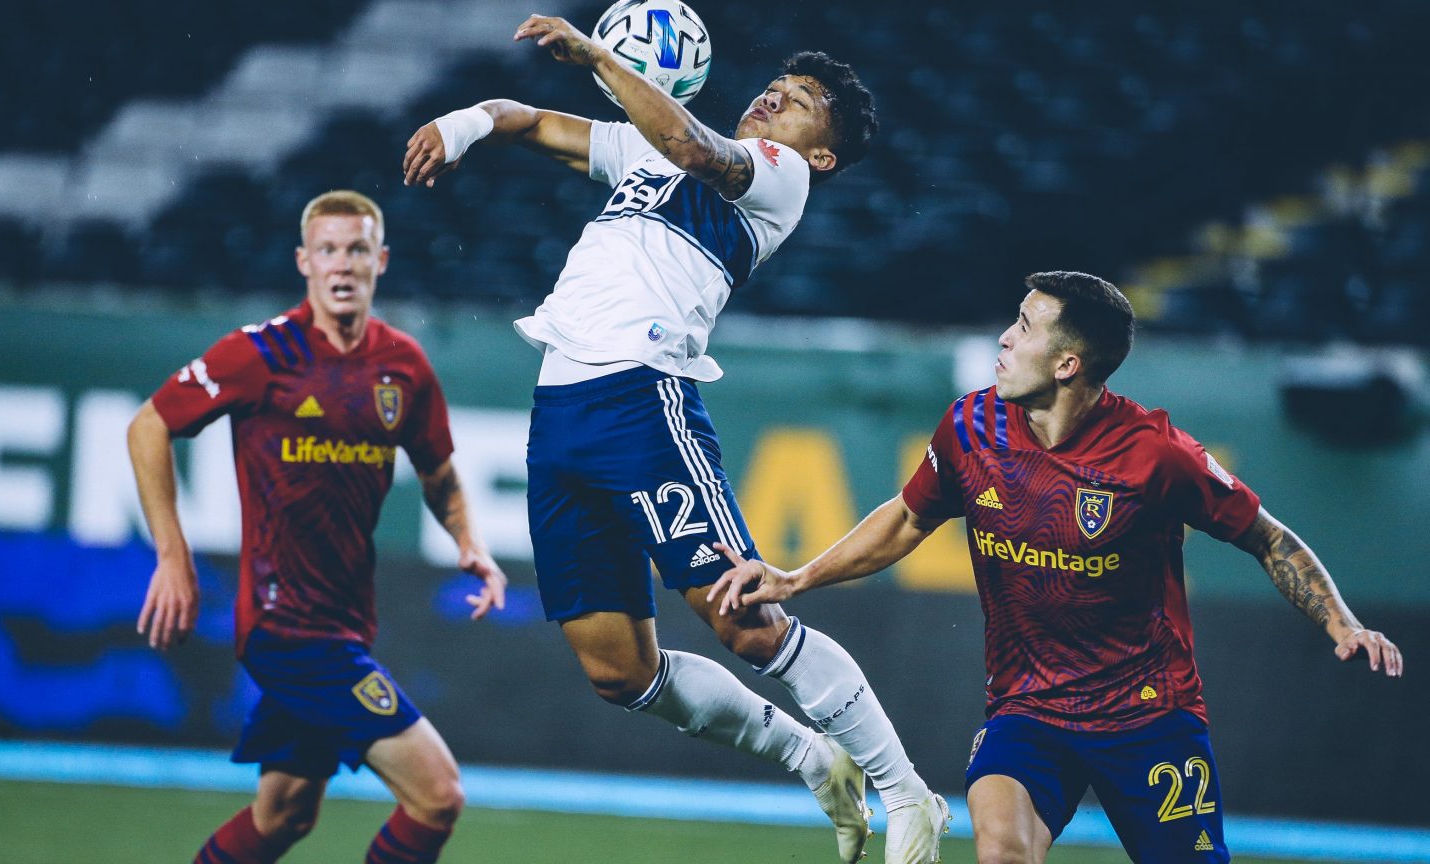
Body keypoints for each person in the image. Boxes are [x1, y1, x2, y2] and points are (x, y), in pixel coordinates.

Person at [400, 13, 947, 864]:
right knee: (621, 674)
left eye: (800, 102)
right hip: (561, 410)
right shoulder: (647, 148)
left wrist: (596, 55)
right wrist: (461, 124)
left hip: (642, 400)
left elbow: (694, 149)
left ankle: (910, 793)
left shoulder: (777, 177)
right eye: (778, 84)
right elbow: (528, 120)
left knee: (749, 620)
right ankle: (813, 758)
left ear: (823, 153)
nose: (775, 97)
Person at [708, 271, 1405, 863]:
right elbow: (907, 518)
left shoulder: (1156, 456)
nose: (1005, 338)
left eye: (1025, 326)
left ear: (1068, 363)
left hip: (1148, 714)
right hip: (1028, 709)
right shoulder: (971, 427)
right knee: (999, 846)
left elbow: (1268, 537)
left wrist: (1341, 624)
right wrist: (796, 578)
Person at [128, 189, 508, 864]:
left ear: (380, 261)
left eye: (356, 249)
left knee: (283, 815)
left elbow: (439, 473)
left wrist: (470, 544)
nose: (342, 264)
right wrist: (172, 555)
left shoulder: (404, 366)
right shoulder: (259, 354)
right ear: (304, 262)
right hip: (287, 629)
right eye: (327, 250)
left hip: (345, 622)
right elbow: (149, 425)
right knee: (439, 794)